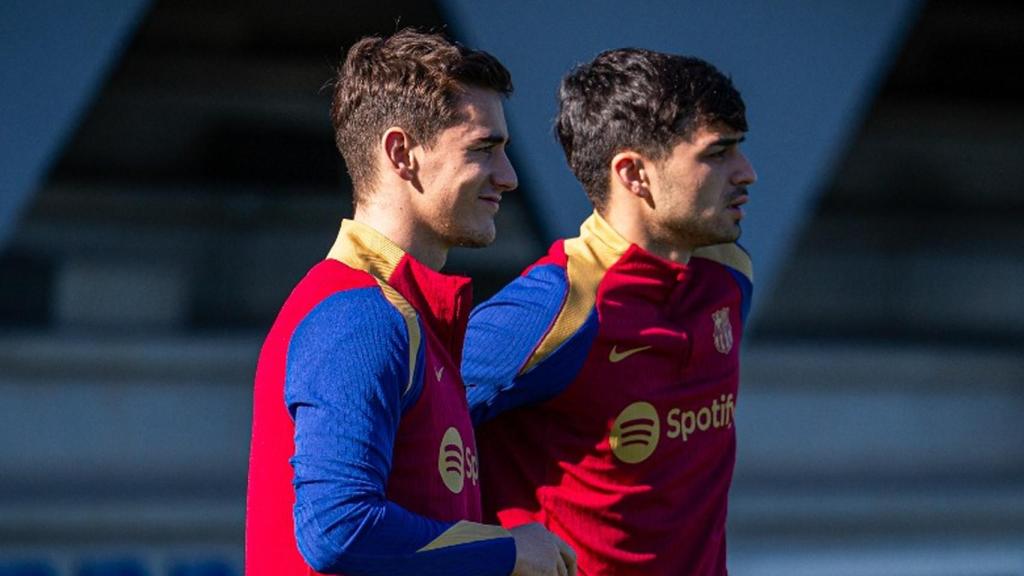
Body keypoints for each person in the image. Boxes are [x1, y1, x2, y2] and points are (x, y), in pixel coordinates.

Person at [246, 29, 575, 576]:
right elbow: (337, 528)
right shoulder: (360, 315)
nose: (509, 177)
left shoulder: (402, 314)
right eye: (483, 149)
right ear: (402, 153)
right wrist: (507, 550)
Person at [462, 48, 757, 576]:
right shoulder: (555, 307)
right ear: (634, 173)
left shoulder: (730, 277)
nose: (747, 173)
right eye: (718, 153)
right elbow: (405, 434)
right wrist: (486, 549)